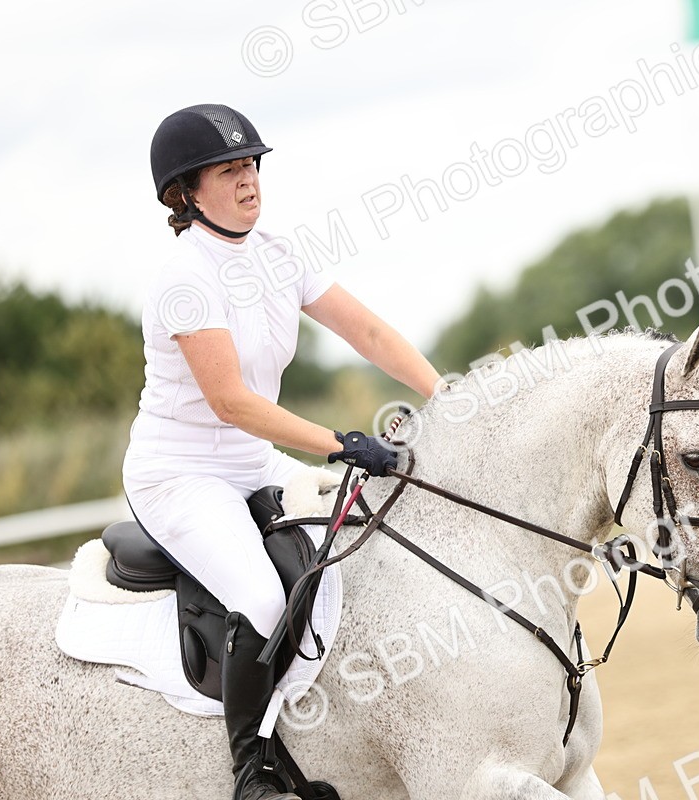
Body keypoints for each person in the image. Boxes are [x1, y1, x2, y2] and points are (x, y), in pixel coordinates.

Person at [124, 103, 442, 800]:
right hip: (181, 474)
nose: (249, 181)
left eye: (252, 165)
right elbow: (232, 402)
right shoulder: (184, 277)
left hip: (251, 461)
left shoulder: (280, 252)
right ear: (185, 193)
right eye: (230, 170)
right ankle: (252, 775)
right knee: (265, 599)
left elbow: (371, 335)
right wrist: (341, 445)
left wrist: (447, 395)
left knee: (362, 550)